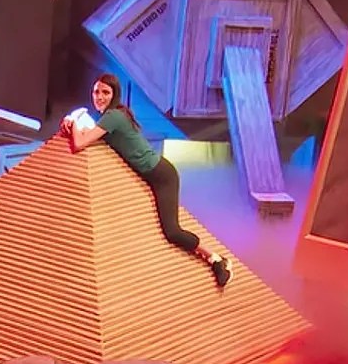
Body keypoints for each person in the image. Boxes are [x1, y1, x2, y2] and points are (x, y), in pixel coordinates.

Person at [61, 74, 233, 288]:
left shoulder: (113, 116)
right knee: (171, 230)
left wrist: (72, 120)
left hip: (162, 176)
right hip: (153, 175)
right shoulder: (109, 118)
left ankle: (216, 259)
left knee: (172, 231)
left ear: (115, 95)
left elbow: (79, 143)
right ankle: (215, 259)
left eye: (106, 92)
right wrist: (73, 124)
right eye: (97, 92)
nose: (100, 97)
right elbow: (87, 135)